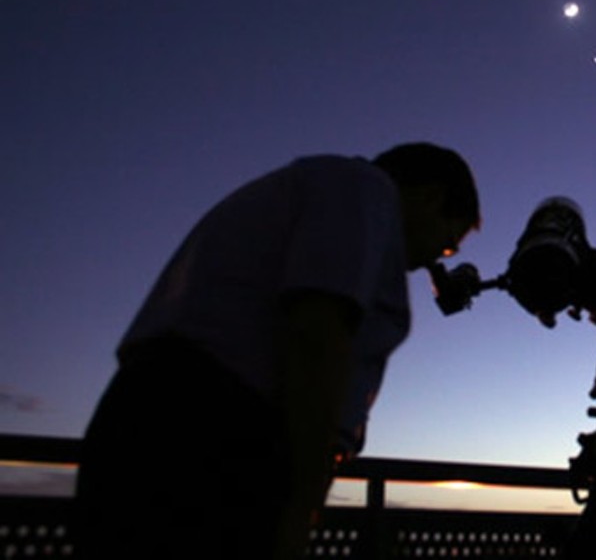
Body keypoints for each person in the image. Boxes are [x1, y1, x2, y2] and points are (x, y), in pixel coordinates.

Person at [73, 142, 480, 560]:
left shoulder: (319, 189)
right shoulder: (364, 190)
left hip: (168, 425)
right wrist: (302, 501)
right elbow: (317, 333)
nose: (436, 258)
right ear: (430, 197)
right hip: (209, 442)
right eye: (447, 243)